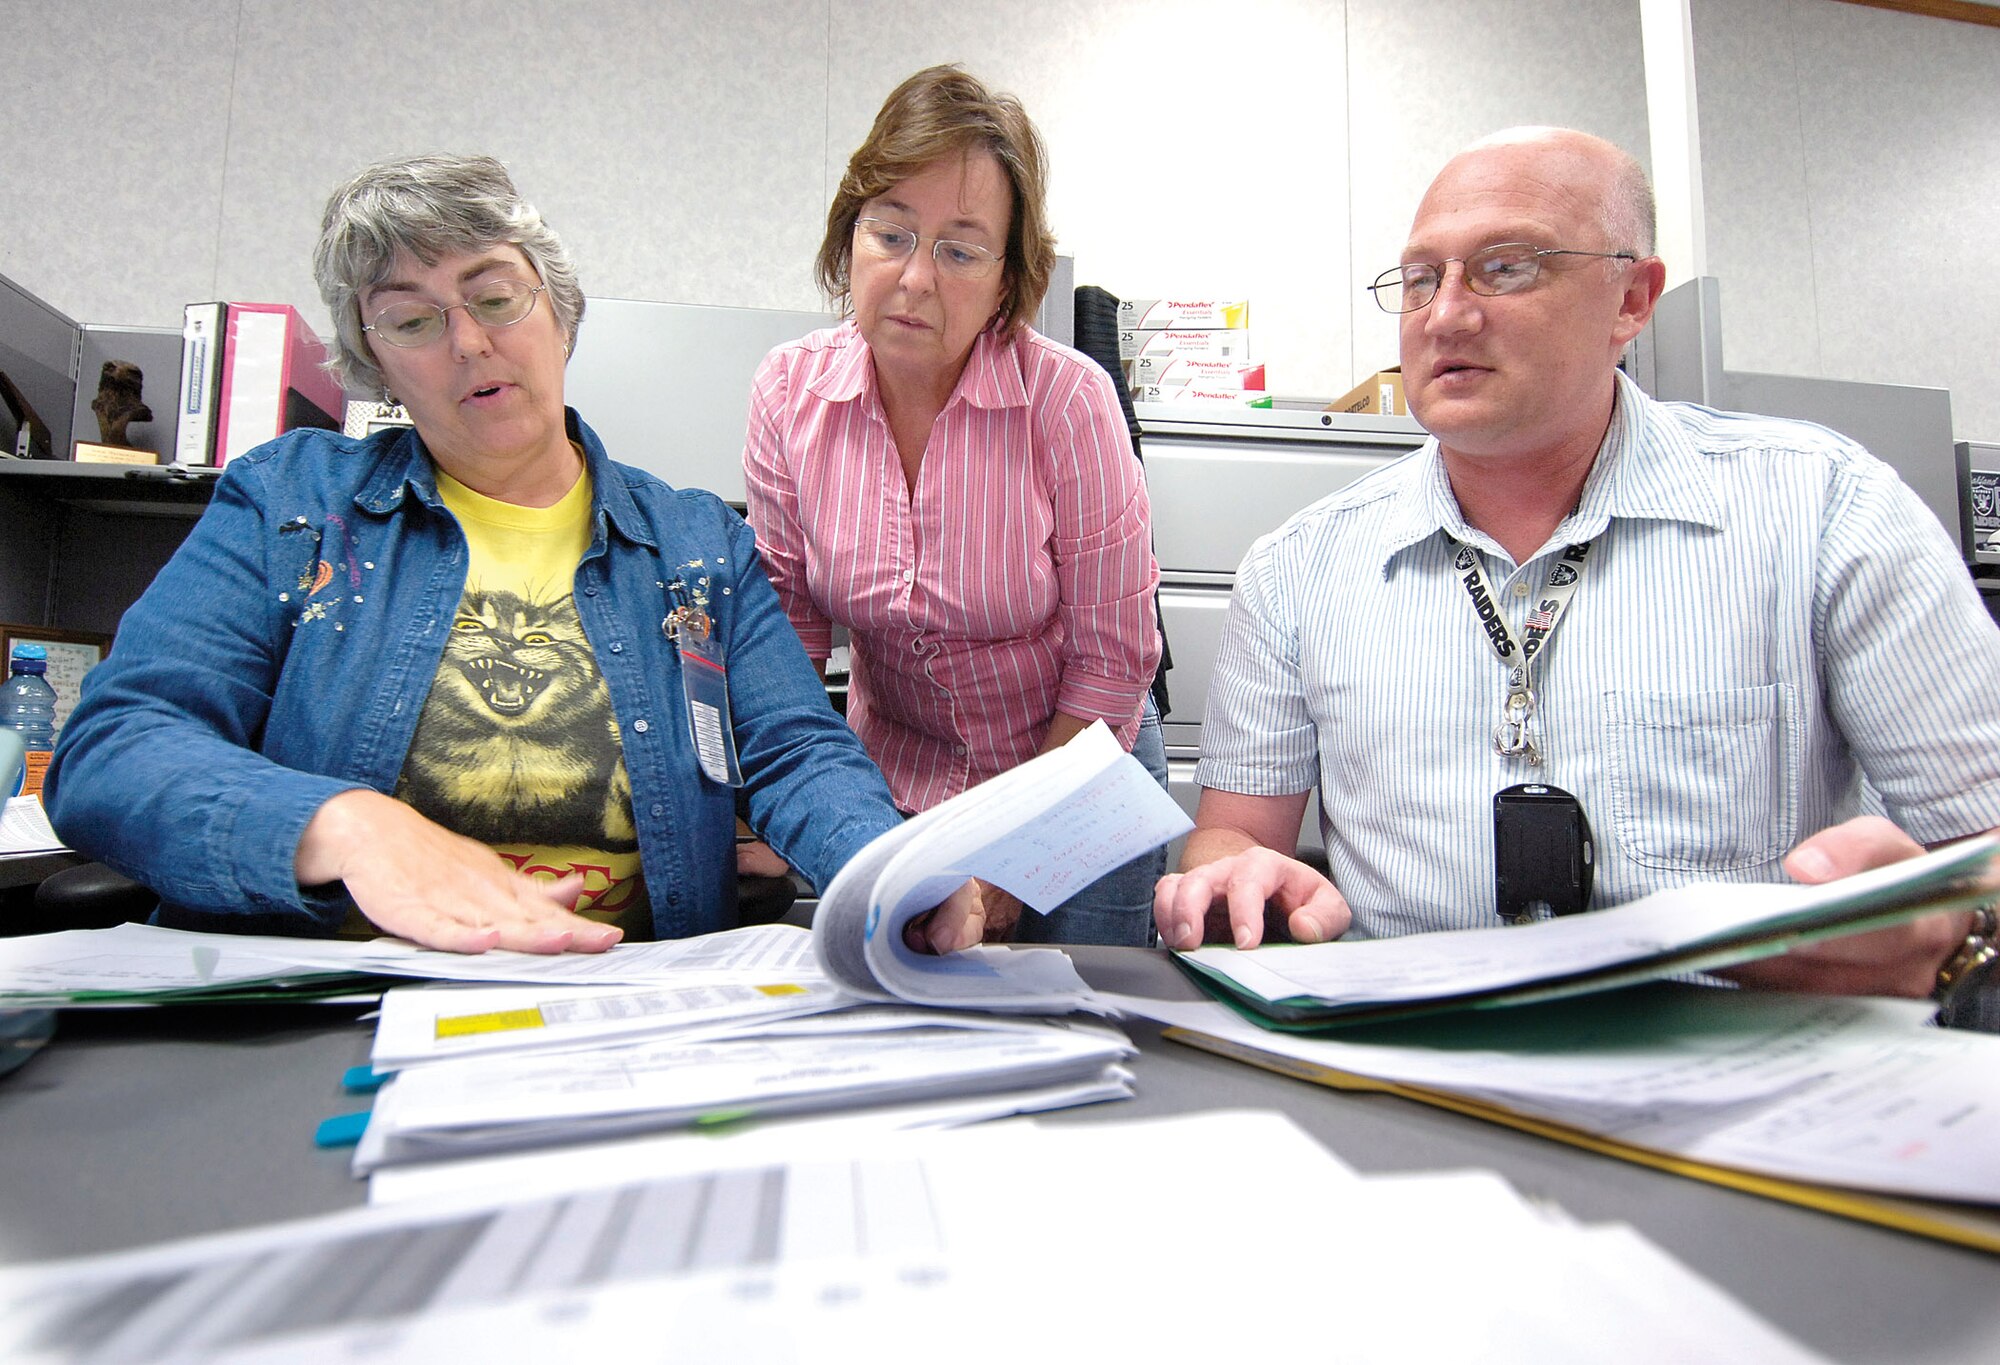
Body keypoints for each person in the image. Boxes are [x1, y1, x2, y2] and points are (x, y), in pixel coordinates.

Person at [1152, 126, 2000, 1027]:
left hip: (1743, 1067)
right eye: (1419, 278)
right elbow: (1235, 832)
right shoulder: (1297, 569)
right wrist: (1237, 878)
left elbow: (1980, 848)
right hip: (1415, 1062)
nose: (1444, 316)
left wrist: (1952, 939)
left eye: (1505, 267)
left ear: (1631, 299)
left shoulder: (1826, 510)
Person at [46, 152, 933, 955]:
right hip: (342, 998)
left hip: (624, 1002)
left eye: (496, 296)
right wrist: (339, 825)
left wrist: (893, 874)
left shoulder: (696, 545)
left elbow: (797, 752)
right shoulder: (292, 508)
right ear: (375, 362)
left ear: (559, 310)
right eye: (411, 320)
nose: (469, 340)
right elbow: (117, 745)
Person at [743, 65, 1166, 949]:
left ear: (1009, 280)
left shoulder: (1068, 402)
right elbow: (782, 638)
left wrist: (1008, 874)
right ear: (847, 238)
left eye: (960, 249)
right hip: (891, 777)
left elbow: (1111, 663)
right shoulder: (789, 392)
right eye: (891, 232)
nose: (915, 278)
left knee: (1081, 1029)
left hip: (1079, 767)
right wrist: (779, 807)